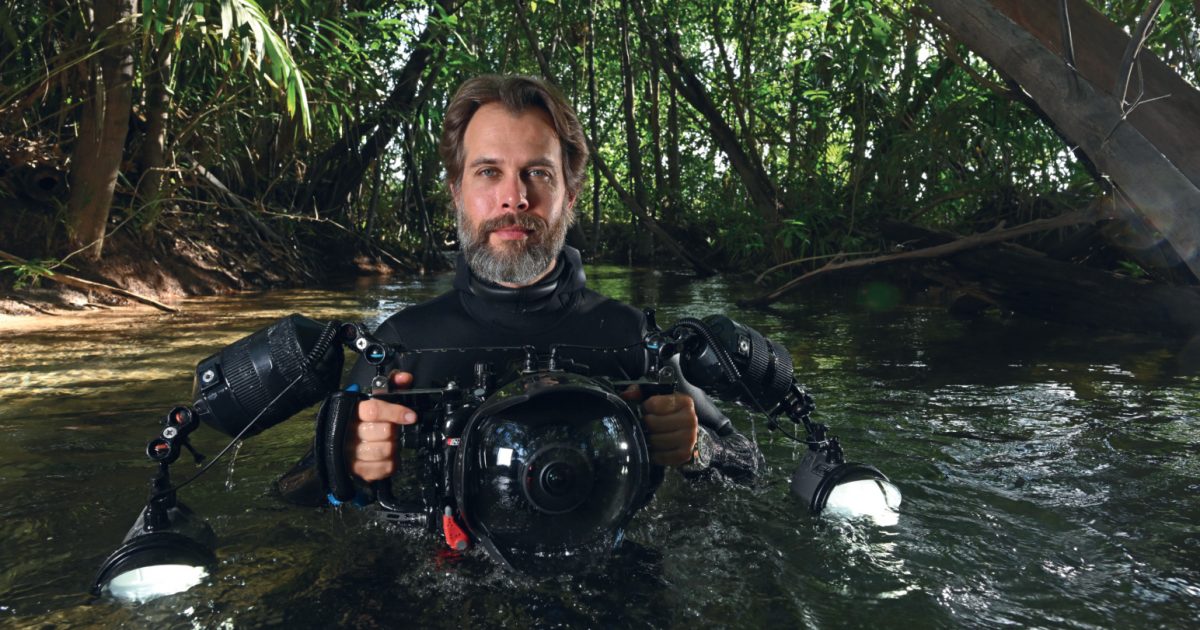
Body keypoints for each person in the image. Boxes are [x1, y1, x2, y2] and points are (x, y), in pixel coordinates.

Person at [280, 74, 761, 510]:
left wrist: (697, 449)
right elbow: (290, 495)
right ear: (457, 193)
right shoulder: (402, 346)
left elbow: (748, 467)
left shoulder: (635, 340)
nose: (515, 197)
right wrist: (343, 464)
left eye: (538, 172)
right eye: (489, 172)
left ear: (570, 196)